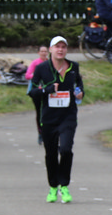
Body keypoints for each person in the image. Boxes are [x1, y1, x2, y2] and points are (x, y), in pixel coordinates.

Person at [29, 36, 83, 204]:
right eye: (57, 47)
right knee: (51, 153)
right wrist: (47, 90)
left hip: (68, 116)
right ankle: (53, 186)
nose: (60, 50)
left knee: (66, 149)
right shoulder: (41, 68)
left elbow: (79, 84)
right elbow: (32, 91)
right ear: (51, 49)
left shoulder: (73, 66)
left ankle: (64, 186)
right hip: (49, 117)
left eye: (63, 47)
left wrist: (80, 93)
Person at [25, 45, 50, 144]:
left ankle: (48, 133)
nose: (44, 53)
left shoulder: (50, 62)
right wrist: (38, 75)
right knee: (39, 112)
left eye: (45, 51)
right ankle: (40, 134)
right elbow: (27, 75)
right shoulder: (35, 63)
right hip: (37, 91)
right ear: (38, 53)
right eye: (42, 51)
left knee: (48, 112)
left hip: (47, 91)